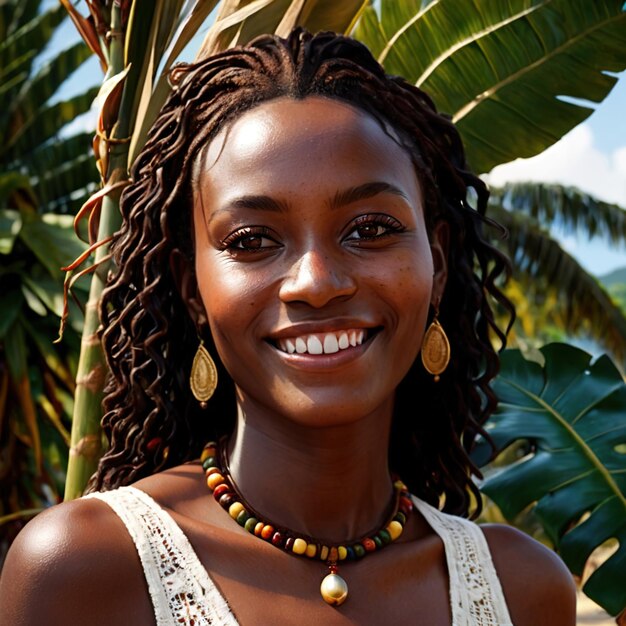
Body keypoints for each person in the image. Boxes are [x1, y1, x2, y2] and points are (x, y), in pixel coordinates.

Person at [0, 29, 576, 625]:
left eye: (371, 228)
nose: (317, 281)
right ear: (190, 286)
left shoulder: (522, 589)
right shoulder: (84, 572)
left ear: (436, 260)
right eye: (252, 241)